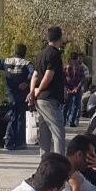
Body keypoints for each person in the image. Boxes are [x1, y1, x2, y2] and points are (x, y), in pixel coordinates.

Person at [0, 43, 34, 150]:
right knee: (20, 117)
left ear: (14, 51)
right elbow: (33, 73)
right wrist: (27, 82)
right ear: (24, 53)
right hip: (21, 94)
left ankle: (9, 141)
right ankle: (18, 142)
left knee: (12, 116)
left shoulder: (6, 61)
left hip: (10, 94)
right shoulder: (27, 63)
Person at [29, 26, 67, 155]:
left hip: (40, 100)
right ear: (59, 38)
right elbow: (48, 76)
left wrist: (32, 92)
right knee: (58, 132)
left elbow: (35, 75)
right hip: (49, 98)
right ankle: (59, 162)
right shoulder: (55, 54)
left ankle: (44, 161)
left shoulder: (41, 54)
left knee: (44, 133)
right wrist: (39, 89)